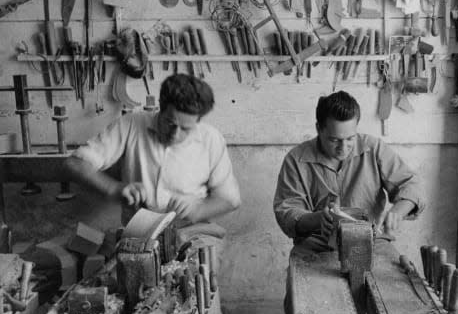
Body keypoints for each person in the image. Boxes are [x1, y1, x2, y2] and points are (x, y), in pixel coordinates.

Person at [65, 74, 241, 225]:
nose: (175, 134)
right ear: (161, 108)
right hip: (140, 234)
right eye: (169, 123)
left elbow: (229, 200)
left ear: (198, 120)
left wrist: (198, 209)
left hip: (191, 233)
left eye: (186, 129)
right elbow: (73, 164)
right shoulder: (131, 124)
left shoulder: (211, 139)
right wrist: (114, 189)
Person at [273, 90, 424, 252]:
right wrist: (318, 219)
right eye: (334, 140)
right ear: (319, 129)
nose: (343, 148)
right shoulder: (296, 159)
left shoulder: (373, 148)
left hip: (369, 244)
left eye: (350, 138)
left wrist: (398, 212)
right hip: (315, 250)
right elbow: (287, 213)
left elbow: (411, 184)